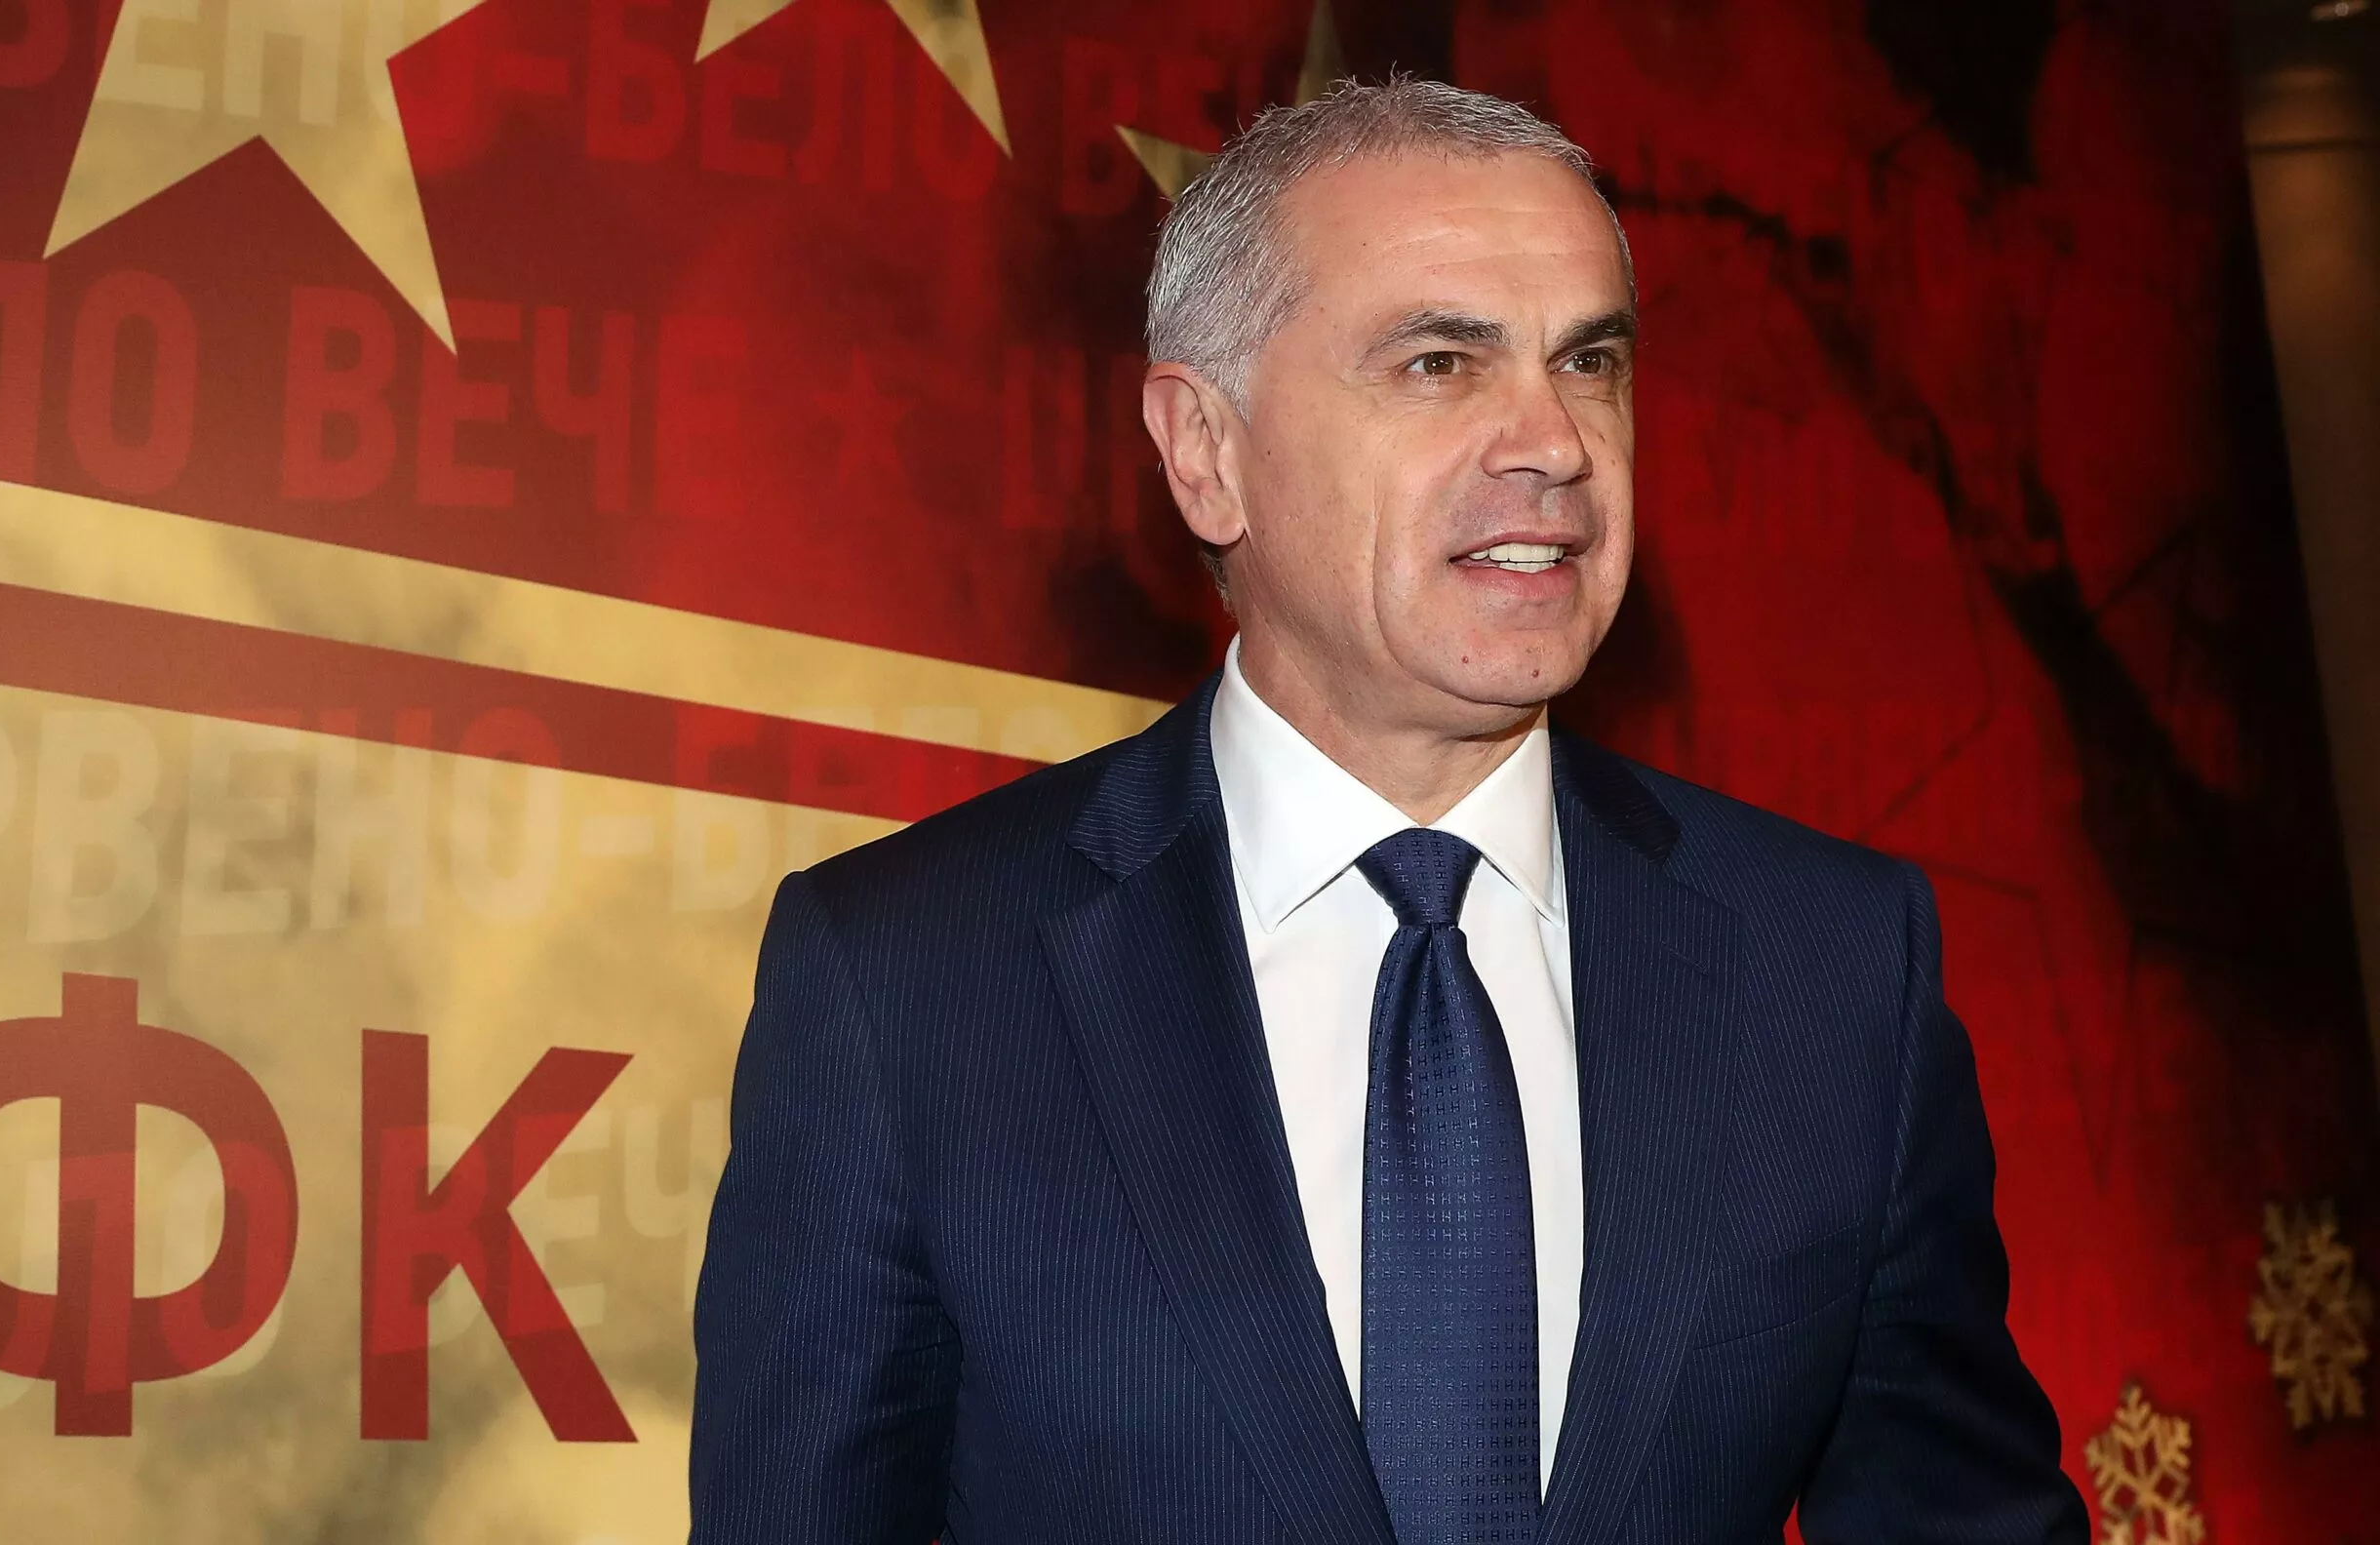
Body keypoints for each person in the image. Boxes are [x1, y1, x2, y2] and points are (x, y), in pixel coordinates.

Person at [690, 77, 2086, 1545]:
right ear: (1205, 450)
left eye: (1591, 361)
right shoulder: (905, 977)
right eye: (1439, 363)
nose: (1554, 441)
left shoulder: (1836, 965)